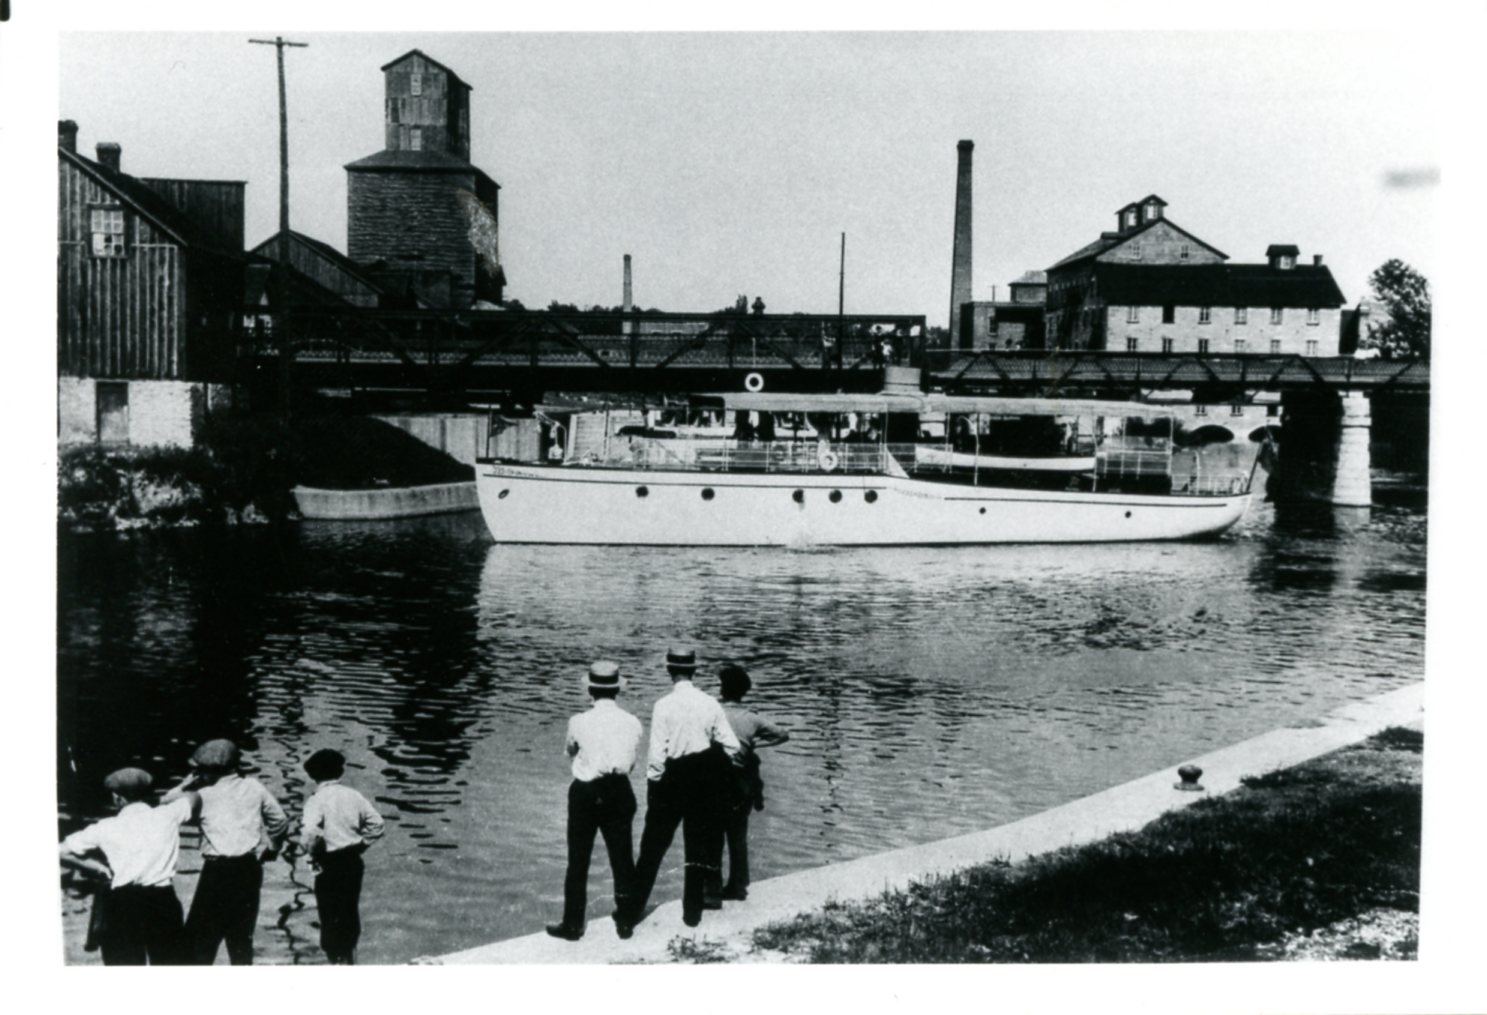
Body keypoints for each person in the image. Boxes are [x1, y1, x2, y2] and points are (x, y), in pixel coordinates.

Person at [623, 647, 741, 928]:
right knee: (696, 846)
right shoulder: (710, 702)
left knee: (652, 848)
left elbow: (656, 755)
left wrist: (654, 787)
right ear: (695, 671)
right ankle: (692, 914)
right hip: (702, 778)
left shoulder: (663, 705)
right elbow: (732, 746)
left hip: (671, 778)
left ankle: (629, 913)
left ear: (668, 671)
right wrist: (710, 759)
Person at [163, 738, 288, 965]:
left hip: (217, 872)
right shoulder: (255, 787)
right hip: (249, 868)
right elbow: (279, 821)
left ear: (208, 771)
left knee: (199, 940)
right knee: (241, 938)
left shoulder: (203, 796)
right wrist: (273, 848)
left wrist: (185, 784)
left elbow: (165, 804)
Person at [59, 767, 199, 965]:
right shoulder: (168, 815)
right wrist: (161, 800)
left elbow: (61, 850)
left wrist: (97, 867)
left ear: (117, 798)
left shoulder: (104, 827)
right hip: (162, 902)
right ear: (147, 795)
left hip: (121, 905)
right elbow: (194, 797)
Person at [547, 660, 644, 942]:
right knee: (622, 857)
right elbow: (632, 762)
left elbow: (570, 751)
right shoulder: (632, 722)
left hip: (585, 792)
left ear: (590, 689)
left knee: (578, 860)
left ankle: (573, 924)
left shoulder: (578, 721)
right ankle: (625, 920)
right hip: (619, 789)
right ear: (617, 691)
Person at [710, 664, 790, 902]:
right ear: (743, 692)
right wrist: (753, 744)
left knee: (712, 835)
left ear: (722, 689)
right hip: (740, 783)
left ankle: (711, 889)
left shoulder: (712, 714)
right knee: (737, 836)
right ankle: (737, 885)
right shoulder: (751, 718)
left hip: (714, 780)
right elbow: (783, 734)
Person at [301, 748, 385, 964]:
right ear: (340, 772)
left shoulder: (316, 800)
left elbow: (310, 833)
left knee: (329, 915)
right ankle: (351, 960)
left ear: (313, 775)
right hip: (352, 860)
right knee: (349, 911)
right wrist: (361, 846)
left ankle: (336, 962)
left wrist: (312, 855)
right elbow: (377, 825)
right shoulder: (353, 795)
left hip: (329, 862)